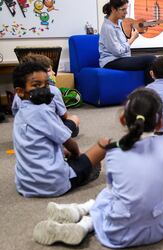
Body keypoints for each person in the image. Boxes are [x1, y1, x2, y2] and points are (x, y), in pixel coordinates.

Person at [32, 88, 163, 247]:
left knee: (108, 195)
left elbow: (117, 193)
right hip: (160, 229)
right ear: (159, 123)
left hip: (119, 234)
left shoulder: (114, 152)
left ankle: (83, 220)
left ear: (123, 120)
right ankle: (80, 216)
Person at [12, 61, 109, 197]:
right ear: (20, 91)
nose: (43, 89)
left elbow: (36, 144)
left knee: (64, 152)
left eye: (46, 84)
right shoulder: (43, 111)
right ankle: (82, 174)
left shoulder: (19, 112)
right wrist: (76, 156)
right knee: (104, 144)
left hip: (25, 185)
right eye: (36, 85)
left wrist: (63, 152)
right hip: (54, 183)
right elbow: (70, 143)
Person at [11, 54, 80, 137]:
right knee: (74, 118)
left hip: (26, 133)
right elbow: (64, 115)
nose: (53, 72)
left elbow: (15, 113)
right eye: (49, 70)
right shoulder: (54, 90)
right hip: (50, 132)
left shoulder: (18, 94)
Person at [99, 0, 155, 84]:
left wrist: (146, 24)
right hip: (111, 61)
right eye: (123, 10)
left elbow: (134, 26)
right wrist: (132, 38)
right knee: (151, 59)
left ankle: (148, 91)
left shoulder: (120, 22)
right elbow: (118, 51)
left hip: (122, 58)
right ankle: (148, 94)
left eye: (126, 9)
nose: (126, 12)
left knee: (151, 61)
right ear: (113, 9)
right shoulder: (108, 28)